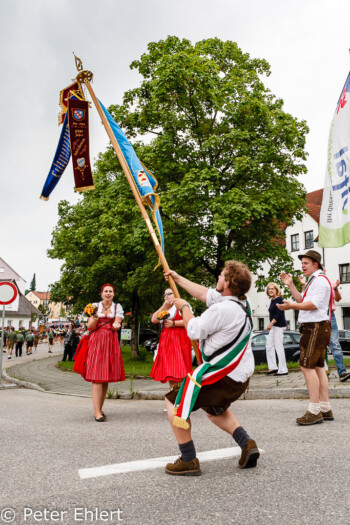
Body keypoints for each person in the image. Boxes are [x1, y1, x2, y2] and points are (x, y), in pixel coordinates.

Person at [163, 261, 259, 476]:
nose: (218, 277)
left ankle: (188, 460)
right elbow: (207, 294)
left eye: (221, 275)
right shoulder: (244, 302)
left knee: (173, 402)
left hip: (223, 377)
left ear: (228, 283)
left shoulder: (221, 310)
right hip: (240, 377)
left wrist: (184, 307)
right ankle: (247, 444)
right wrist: (177, 278)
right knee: (214, 410)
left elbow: (194, 330)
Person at [279, 250, 332, 425]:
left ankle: (314, 410)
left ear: (315, 264)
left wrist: (291, 306)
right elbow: (302, 299)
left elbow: (312, 305)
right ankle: (324, 408)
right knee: (317, 367)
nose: (302, 265)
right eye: (302, 263)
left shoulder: (319, 281)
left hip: (314, 328)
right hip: (316, 327)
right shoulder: (315, 280)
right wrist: (290, 285)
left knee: (307, 367)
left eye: (306, 263)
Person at [84, 284, 125, 422]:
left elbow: (117, 323)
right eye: (105, 291)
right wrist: (94, 317)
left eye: (110, 291)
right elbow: (90, 327)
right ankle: (96, 413)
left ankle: (99, 409)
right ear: (101, 293)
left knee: (105, 376)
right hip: (97, 341)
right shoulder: (94, 306)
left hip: (111, 341)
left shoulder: (117, 307)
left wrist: (116, 325)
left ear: (114, 294)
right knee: (97, 376)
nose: (108, 293)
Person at [150, 288, 193, 388]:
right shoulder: (165, 309)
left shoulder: (183, 305)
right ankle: (173, 396)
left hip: (180, 340)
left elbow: (190, 320)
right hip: (167, 343)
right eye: (165, 295)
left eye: (170, 293)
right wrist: (164, 306)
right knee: (171, 372)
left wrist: (174, 323)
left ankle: (181, 398)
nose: (167, 296)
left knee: (182, 372)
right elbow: (153, 319)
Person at [265, 282, 288, 376]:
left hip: (278, 326)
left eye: (272, 289)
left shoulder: (279, 299)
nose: (270, 290)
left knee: (279, 347)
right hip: (274, 326)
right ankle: (273, 367)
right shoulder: (273, 300)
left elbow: (279, 314)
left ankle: (283, 370)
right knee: (269, 346)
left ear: (276, 290)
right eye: (269, 289)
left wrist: (271, 323)